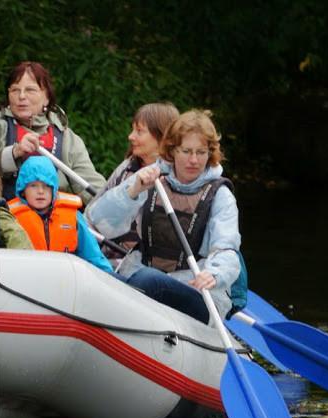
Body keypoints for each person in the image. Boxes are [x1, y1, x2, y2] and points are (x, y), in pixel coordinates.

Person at [86, 110, 241, 323]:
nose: (194, 160)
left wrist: (214, 274)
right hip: (142, 275)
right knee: (97, 275)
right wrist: (133, 190)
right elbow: (101, 222)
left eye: (201, 152)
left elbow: (226, 248)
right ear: (172, 150)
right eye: (186, 151)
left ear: (210, 153)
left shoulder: (220, 195)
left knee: (148, 280)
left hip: (193, 289)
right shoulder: (152, 177)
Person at [0, 61, 106, 205]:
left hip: (52, 220)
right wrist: (14, 152)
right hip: (2, 217)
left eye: (30, 90)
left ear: (47, 97)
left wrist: (114, 201)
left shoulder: (67, 138)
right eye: (15, 90)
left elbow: (91, 185)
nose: (21, 96)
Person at [88, 102, 180, 261]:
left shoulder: (178, 176)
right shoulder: (127, 167)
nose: (130, 136)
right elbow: (92, 216)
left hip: (148, 265)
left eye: (139, 131)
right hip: (108, 258)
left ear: (162, 136)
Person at [8, 156, 113, 273]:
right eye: (33, 186)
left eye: (46, 186)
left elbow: (94, 257)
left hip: (66, 281)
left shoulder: (73, 217)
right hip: (27, 279)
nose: (40, 191)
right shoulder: (10, 219)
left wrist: (110, 278)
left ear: (54, 189)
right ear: (23, 190)